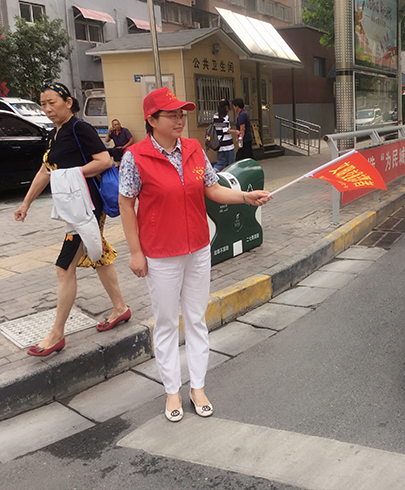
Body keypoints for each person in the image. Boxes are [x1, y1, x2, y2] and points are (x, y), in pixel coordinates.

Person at [118, 87, 270, 422]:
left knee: (197, 320)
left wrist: (245, 198)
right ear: (151, 120)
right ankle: (172, 390)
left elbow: (212, 188)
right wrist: (135, 252)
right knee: (166, 323)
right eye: (172, 115)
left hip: (198, 249)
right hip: (160, 254)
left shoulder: (194, 150)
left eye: (182, 114)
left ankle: (197, 386)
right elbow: (126, 204)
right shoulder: (135, 157)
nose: (180, 120)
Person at [13, 83, 130, 357]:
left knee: (63, 268)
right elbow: (45, 170)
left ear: (68, 102)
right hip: (74, 207)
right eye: (43, 104)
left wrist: (71, 174)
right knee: (98, 255)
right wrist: (26, 203)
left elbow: (104, 161)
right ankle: (120, 308)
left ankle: (56, 334)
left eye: (52, 102)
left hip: (86, 208)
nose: (47, 108)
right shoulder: (54, 134)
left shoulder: (80, 129)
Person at [212, 100, 237, 171]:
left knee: (220, 163)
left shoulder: (215, 116)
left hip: (219, 143)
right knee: (231, 163)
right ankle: (231, 175)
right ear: (226, 107)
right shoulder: (225, 117)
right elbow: (226, 130)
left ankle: (214, 173)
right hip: (228, 144)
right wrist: (236, 131)